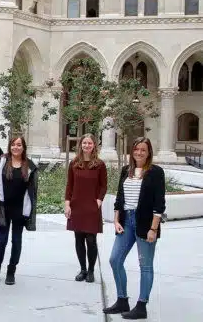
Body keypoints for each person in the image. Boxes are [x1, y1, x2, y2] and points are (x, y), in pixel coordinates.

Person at [103, 137, 165, 320]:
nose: (139, 152)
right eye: (136, 149)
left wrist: (153, 229)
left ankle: (141, 306)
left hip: (145, 224)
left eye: (143, 150)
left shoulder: (155, 172)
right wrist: (116, 220)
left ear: (149, 153)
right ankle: (122, 300)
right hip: (126, 222)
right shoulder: (126, 171)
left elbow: (159, 204)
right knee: (115, 260)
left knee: (145, 266)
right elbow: (119, 199)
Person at [0, 135, 38, 285]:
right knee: (2, 241)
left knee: (16, 241)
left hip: (20, 210)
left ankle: (11, 271)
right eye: (13, 145)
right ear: (9, 146)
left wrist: (30, 212)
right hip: (3, 208)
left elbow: (33, 191)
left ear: (23, 147)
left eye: (19, 145)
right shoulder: (1, 161)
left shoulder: (30, 166)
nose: (15, 147)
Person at [65, 133, 108, 283]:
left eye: (89, 143)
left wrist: (98, 201)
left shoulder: (100, 164)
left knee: (91, 239)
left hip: (92, 206)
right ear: (80, 145)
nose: (87, 146)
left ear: (94, 145)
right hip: (76, 205)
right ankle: (82, 269)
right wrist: (67, 204)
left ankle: (91, 270)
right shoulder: (74, 163)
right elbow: (69, 185)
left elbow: (103, 185)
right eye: (84, 143)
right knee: (78, 239)